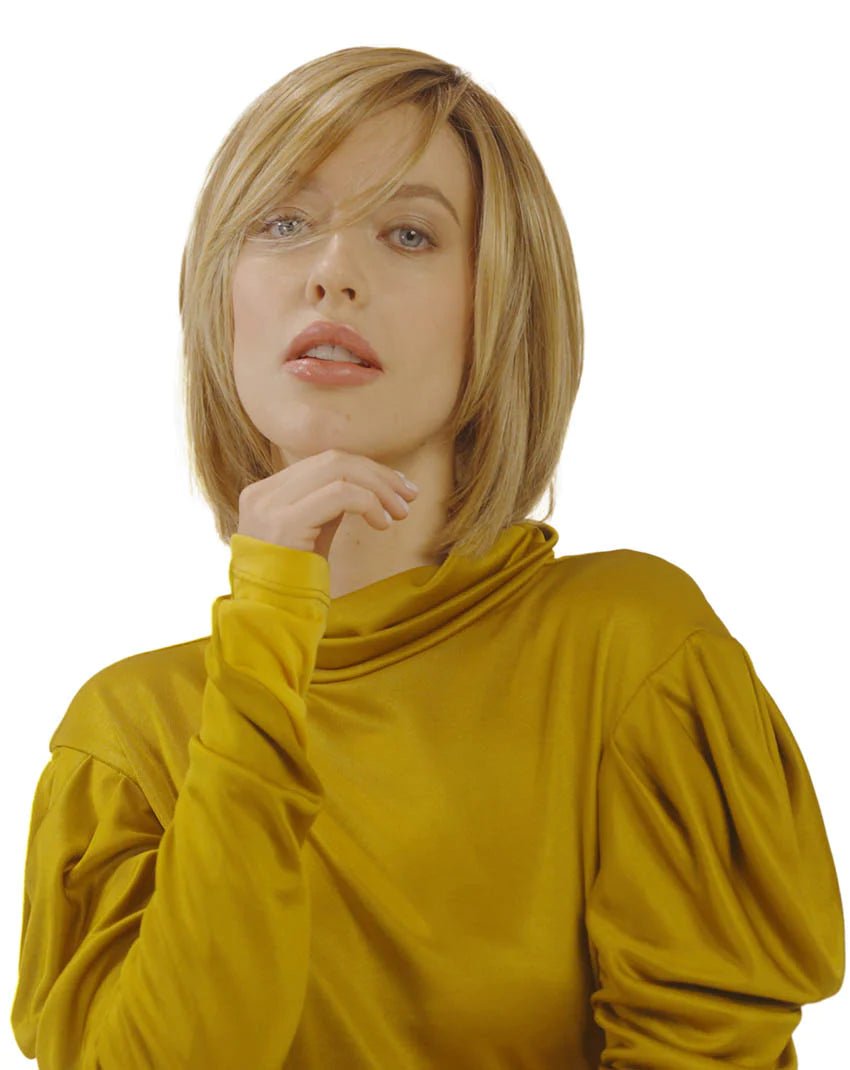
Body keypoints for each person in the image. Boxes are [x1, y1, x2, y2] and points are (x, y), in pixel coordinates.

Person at [10, 45, 844, 1070]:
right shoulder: (128, 737)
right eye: (282, 222)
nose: (332, 272)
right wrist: (266, 622)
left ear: (500, 307)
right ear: (218, 296)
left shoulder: (628, 651)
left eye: (409, 233)